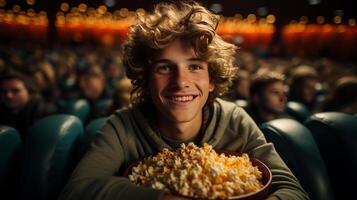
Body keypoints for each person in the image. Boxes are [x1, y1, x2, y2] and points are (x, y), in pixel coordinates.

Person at [59, 1, 309, 200]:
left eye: (195, 67)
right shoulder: (123, 126)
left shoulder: (234, 120)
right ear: (145, 79)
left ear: (212, 79)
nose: (181, 82)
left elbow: (294, 191)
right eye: (165, 68)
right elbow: (76, 191)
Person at [0, 70, 57, 140]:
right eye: (3, 91)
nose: (8, 95)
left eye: (15, 91)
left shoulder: (43, 112)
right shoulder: (3, 110)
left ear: (29, 92)